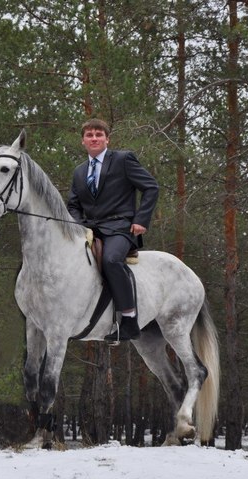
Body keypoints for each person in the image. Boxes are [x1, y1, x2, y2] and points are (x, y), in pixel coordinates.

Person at [67, 119, 160, 343]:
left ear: (107, 139)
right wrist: (79, 224)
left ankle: (129, 320)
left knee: (110, 260)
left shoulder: (123, 159)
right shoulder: (79, 172)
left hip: (120, 228)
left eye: (99, 134)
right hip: (90, 230)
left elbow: (151, 187)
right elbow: (73, 205)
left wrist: (141, 219)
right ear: (83, 141)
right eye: (89, 135)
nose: (94, 138)